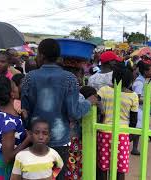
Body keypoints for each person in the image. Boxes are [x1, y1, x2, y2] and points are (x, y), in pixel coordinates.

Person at [21, 39, 97, 180]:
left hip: (36, 138)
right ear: (58, 57)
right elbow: (74, 112)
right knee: (57, 175)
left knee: (36, 175)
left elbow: (25, 112)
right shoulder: (70, 79)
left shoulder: (29, 77)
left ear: (42, 56)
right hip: (60, 140)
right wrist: (88, 102)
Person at [97, 65, 138, 180]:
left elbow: (95, 103)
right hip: (123, 134)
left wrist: (102, 112)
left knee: (103, 166)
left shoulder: (104, 90)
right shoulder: (133, 96)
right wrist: (129, 136)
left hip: (104, 132)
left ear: (114, 77)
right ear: (130, 80)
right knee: (120, 168)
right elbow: (133, 120)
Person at [0, 76, 31, 180]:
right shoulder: (9, 124)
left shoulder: (1, 109)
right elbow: (7, 158)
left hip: (0, 158)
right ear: (12, 94)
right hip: (6, 168)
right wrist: (28, 140)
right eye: (15, 86)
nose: (18, 87)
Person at [131, 60, 151, 155]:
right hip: (138, 109)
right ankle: (123, 143)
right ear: (145, 72)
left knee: (138, 130)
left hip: (142, 109)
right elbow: (136, 98)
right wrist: (149, 100)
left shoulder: (144, 81)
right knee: (137, 130)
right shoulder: (140, 82)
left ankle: (134, 148)